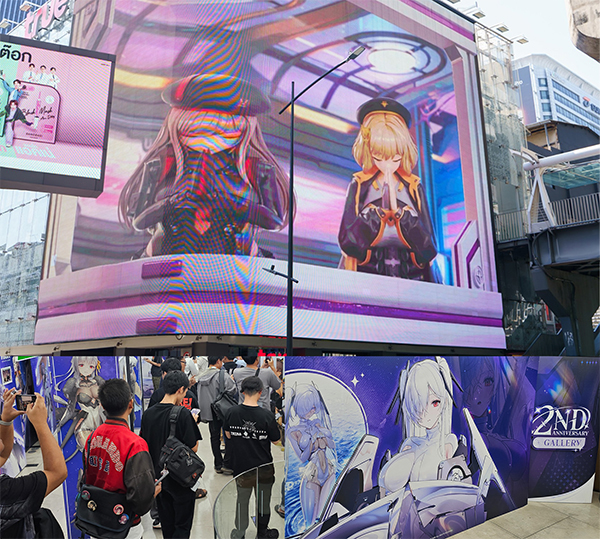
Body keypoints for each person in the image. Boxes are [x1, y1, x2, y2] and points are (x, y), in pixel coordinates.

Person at [117, 73, 291, 258]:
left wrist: (234, 205)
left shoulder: (257, 169)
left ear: (243, 129)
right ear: (178, 126)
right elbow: (139, 221)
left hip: (239, 262)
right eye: (195, 132)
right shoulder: (160, 166)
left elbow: (274, 222)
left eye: (225, 133)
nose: (209, 141)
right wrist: (171, 204)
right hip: (165, 259)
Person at [338, 98, 437, 281]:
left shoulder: (414, 187)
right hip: (367, 276)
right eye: (379, 156)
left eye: (395, 156)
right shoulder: (359, 185)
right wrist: (376, 216)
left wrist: (402, 217)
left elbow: (429, 247)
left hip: (412, 278)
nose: (388, 163)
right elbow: (348, 241)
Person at [378, 358, 458, 538]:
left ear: (443, 401)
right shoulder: (411, 444)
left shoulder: (448, 443)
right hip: (409, 521)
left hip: (437, 522)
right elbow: (392, 485)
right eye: (417, 406)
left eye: (434, 402)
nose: (425, 412)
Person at [83, 379, 158, 539]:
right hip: (125, 526)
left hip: (96, 521)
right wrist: (153, 491)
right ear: (131, 404)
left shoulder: (92, 438)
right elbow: (141, 500)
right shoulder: (135, 444)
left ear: (102, 406)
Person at [140, 371, 202, 539]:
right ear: (180, 389)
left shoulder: (148, 414)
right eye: (185, 392)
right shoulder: (183, 414)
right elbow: (194, 447)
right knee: (182, 526)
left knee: (167, 524)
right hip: (181, 478)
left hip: (159, 478)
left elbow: (144, 444)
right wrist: (192, 422)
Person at [0, 389, 68, 538]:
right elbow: (57, 473)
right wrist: (41, 424)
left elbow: (3, 454)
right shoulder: (5, 491)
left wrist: (6, 420)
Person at [224, 376, 280, 539]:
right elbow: (276, 440)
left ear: (242, 392)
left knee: (242, 499)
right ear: (260, 392)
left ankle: (240, 532)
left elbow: (228, 435)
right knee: (263, 500)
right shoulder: (267, 415)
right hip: (263, 467)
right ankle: (262, 532)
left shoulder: (231, 412)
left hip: (241, 466)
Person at [287, 384, 336, 528]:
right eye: (309, 407)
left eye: (314, 407)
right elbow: (302, 458)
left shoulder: (317, 423)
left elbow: (332, 445)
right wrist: (311, 442)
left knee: (324, 517)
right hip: (312, 474)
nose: (313, 410)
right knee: (310, 523)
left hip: (329, 472)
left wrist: (324, 436)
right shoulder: (293, 431)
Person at [197, 356, 237, 474]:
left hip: (210, 412)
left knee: (214, 438)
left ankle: (218, 464)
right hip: (224, 411)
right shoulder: (222, 375)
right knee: (229, 436)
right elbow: (233, 390)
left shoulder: (201, 376)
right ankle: (227, 463)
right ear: (218, 361)